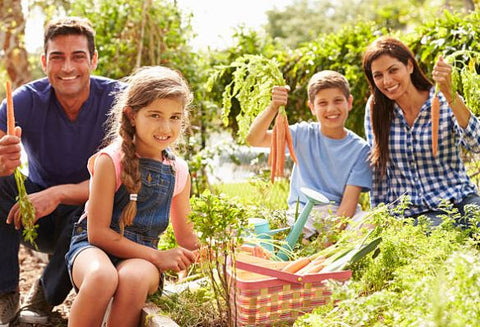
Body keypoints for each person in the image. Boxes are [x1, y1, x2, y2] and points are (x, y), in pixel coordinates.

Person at [0, 17, 124, 325]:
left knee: (106, 198)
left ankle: (42, 298)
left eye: (78, 56)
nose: (67, 67)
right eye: (57, 57)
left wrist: (57, 194)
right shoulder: (24, 100)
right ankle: (5, 295)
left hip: (91, 220)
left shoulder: (118, 100)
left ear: (93, 60)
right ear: (44, 62)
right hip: (32, 216)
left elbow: (128, 172)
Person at [65, 65, 199, 327]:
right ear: (132, 115)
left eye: (175, 117)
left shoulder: (177, 170)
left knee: (134, 278)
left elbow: (187, 238)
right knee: (102, 277)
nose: (166, 126)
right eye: (155, 115)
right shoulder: (110, 160)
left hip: (142, 258)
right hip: (93, 249)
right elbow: (98, 234)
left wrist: (223, 252)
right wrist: (159, 257)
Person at [362, 36, 480, 225]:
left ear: (409, 66)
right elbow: (380, 170)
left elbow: (477, 143)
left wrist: (451, 95)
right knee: (441, 232)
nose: (387, 81)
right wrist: (380, 219)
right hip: (415, 214)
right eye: (378, 75)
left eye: (393, 70)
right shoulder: (376, 108)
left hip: (459, 200)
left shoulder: (442, 99)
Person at [246, 70, 372, 239]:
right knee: (265, 229)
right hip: (302, 214)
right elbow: (255, 139)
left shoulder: (361, 149)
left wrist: (326, 241)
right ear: (312, 107)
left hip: (340, 215)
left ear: (349, 103)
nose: (331, 108)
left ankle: (320, 251)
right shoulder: (302, 134)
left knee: (370, 223)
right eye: (322, 103)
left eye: (338, 101)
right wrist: (273, 107)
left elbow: (348, 204)